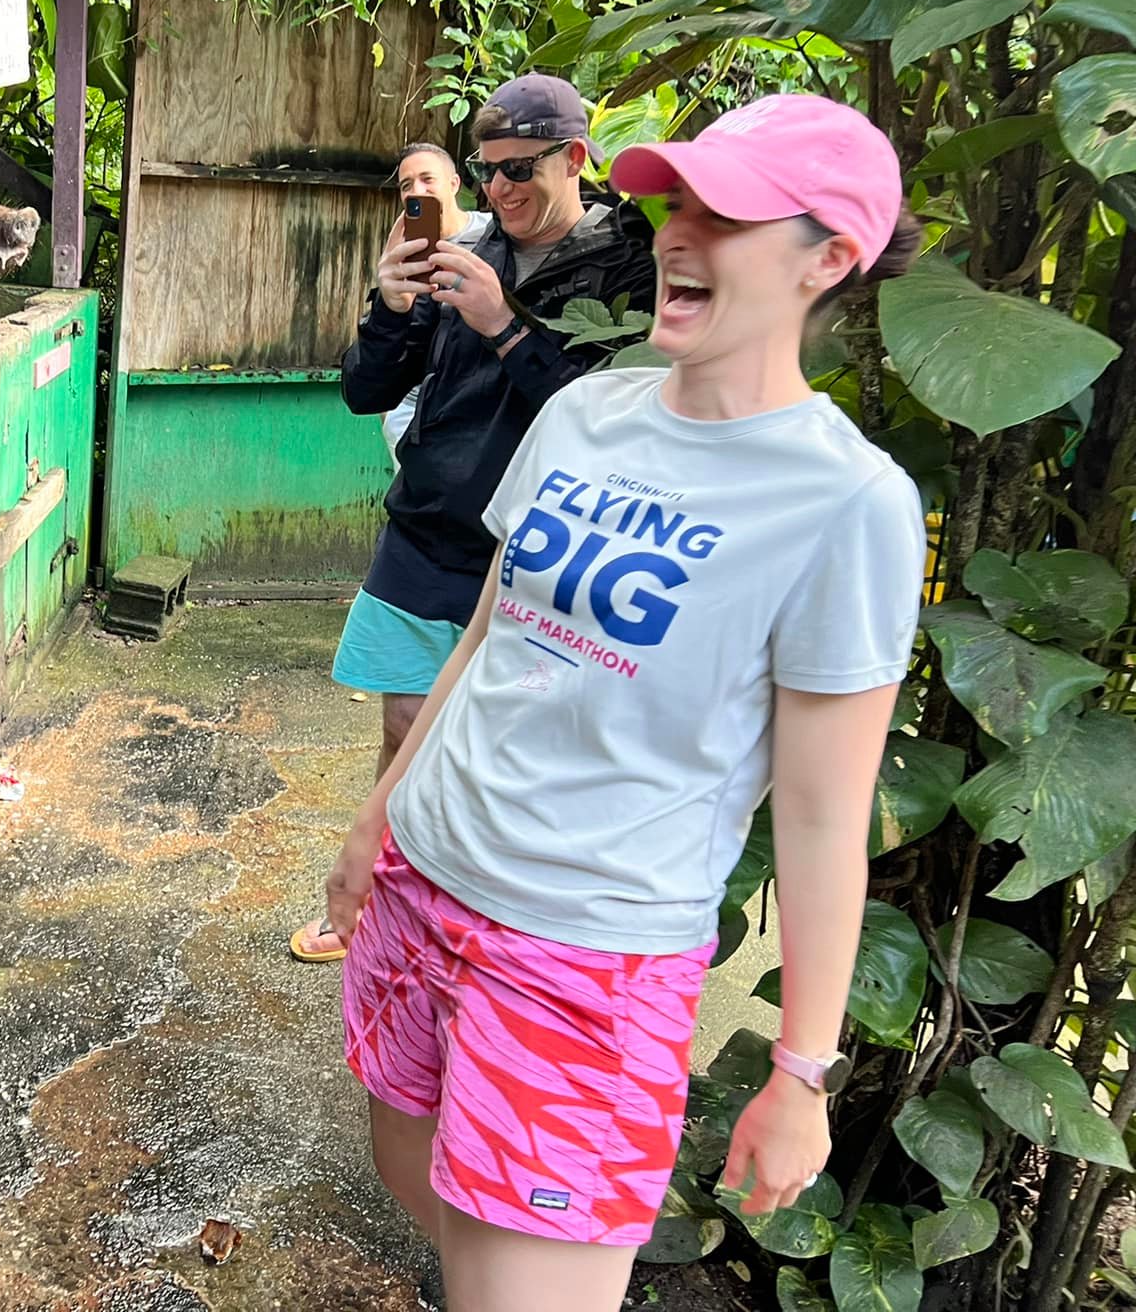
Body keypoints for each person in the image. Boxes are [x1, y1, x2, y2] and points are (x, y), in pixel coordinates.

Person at [325, 92, 930, 1312]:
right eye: (676, 203)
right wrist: (375, 820)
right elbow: (487, 638)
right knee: (412, 1175)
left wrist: (802, 1071)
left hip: (580, 956)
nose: (677, 234)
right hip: (424, 882)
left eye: (728, 215)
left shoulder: (844, 502)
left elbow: (821, 817)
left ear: (828, 258)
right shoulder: (585, 414)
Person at [290, 74, 655, 964]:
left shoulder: (631, 265)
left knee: (514, 754)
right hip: (427, 529)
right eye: (484, 171)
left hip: (541, 558)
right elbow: (367, 392)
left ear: (577, 158)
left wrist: (505, 326)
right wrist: (390, 305)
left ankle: (485, 931)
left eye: (520, 169)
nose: (497, 191)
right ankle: (380, 903)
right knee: (407, 730)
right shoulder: (472, 243)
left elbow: (615, 428)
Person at [378, 142, 492, 459]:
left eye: (428, 179)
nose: (417, 190)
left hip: (472, 400)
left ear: (454, 184)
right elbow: (388, 341)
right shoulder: (403, 249)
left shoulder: (492, 235)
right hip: (412, 402)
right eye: (406, 185)